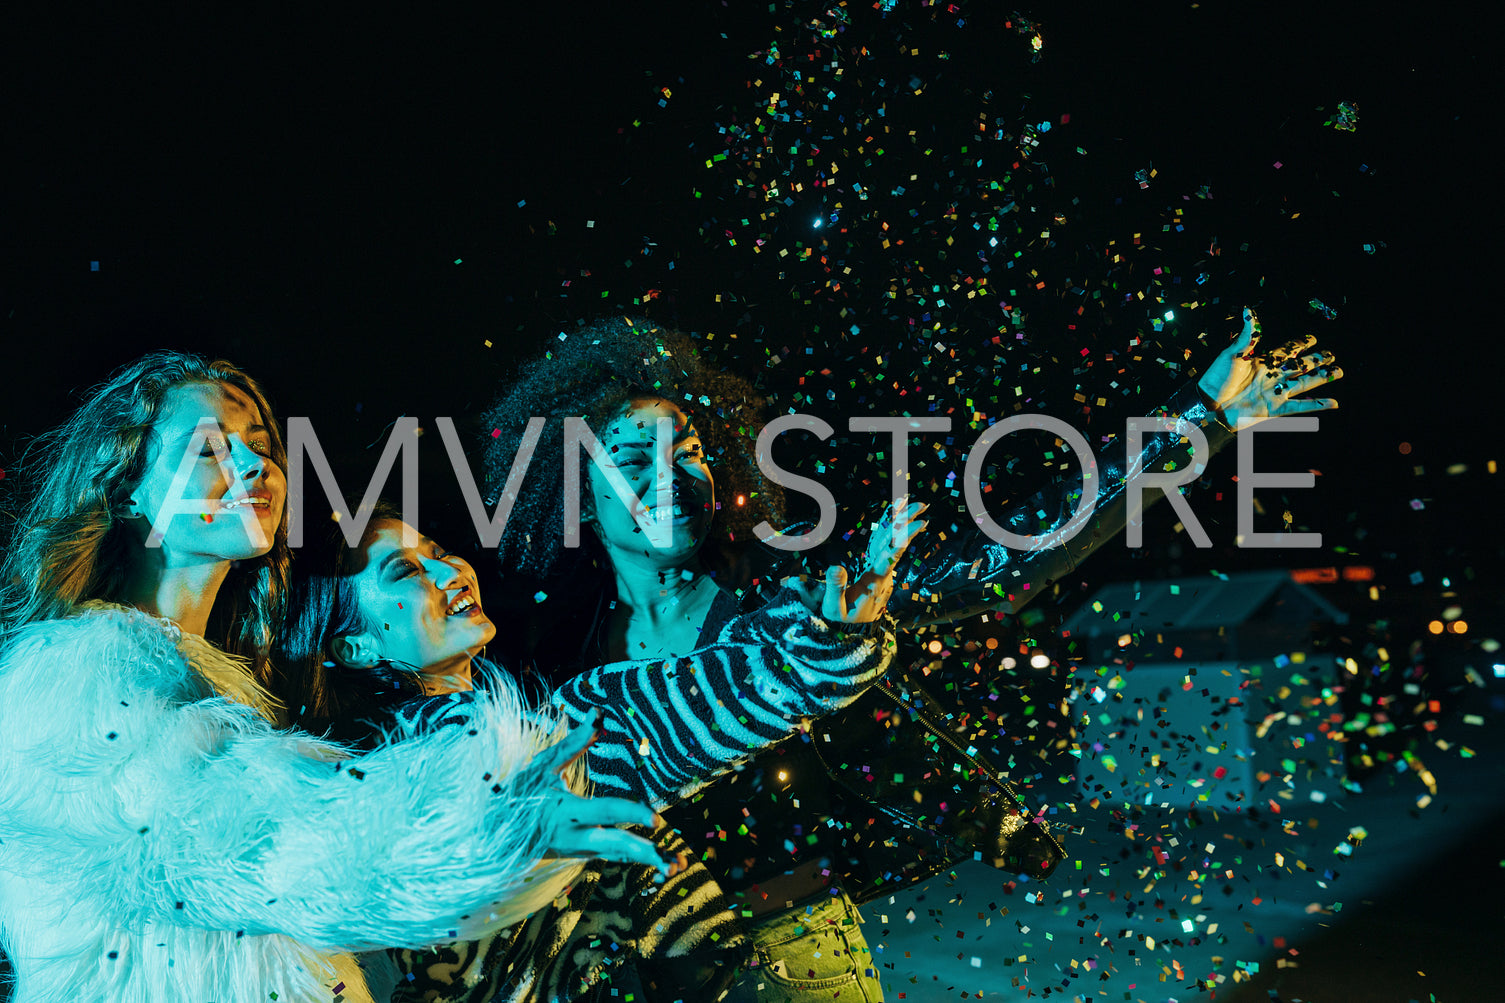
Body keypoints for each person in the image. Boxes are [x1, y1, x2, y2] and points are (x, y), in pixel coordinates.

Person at [478, 310, 1341, 1001]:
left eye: (689, 449)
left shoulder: (796, 594)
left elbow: (1009, 552)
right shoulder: (549, 657)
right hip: (634, 965)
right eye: (632, 457)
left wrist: (1199, 420)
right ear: (576, 491)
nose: (669, 473)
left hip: (797, 949)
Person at [0, 352, 676, 1003]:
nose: (252, 464)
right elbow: (254, 846)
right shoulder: (75, 671)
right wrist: (488, 818)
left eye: (260, 443)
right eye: (208, 448)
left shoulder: (209, 683)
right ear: (127, 489)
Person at [270, 494, 914, 1001]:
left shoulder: (556, 723)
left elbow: (717, 691)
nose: (448, 568)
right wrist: (825, 641)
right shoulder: (388, 786)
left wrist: (832, 632)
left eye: (437, 550)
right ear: (352, 647)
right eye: (406, 571)